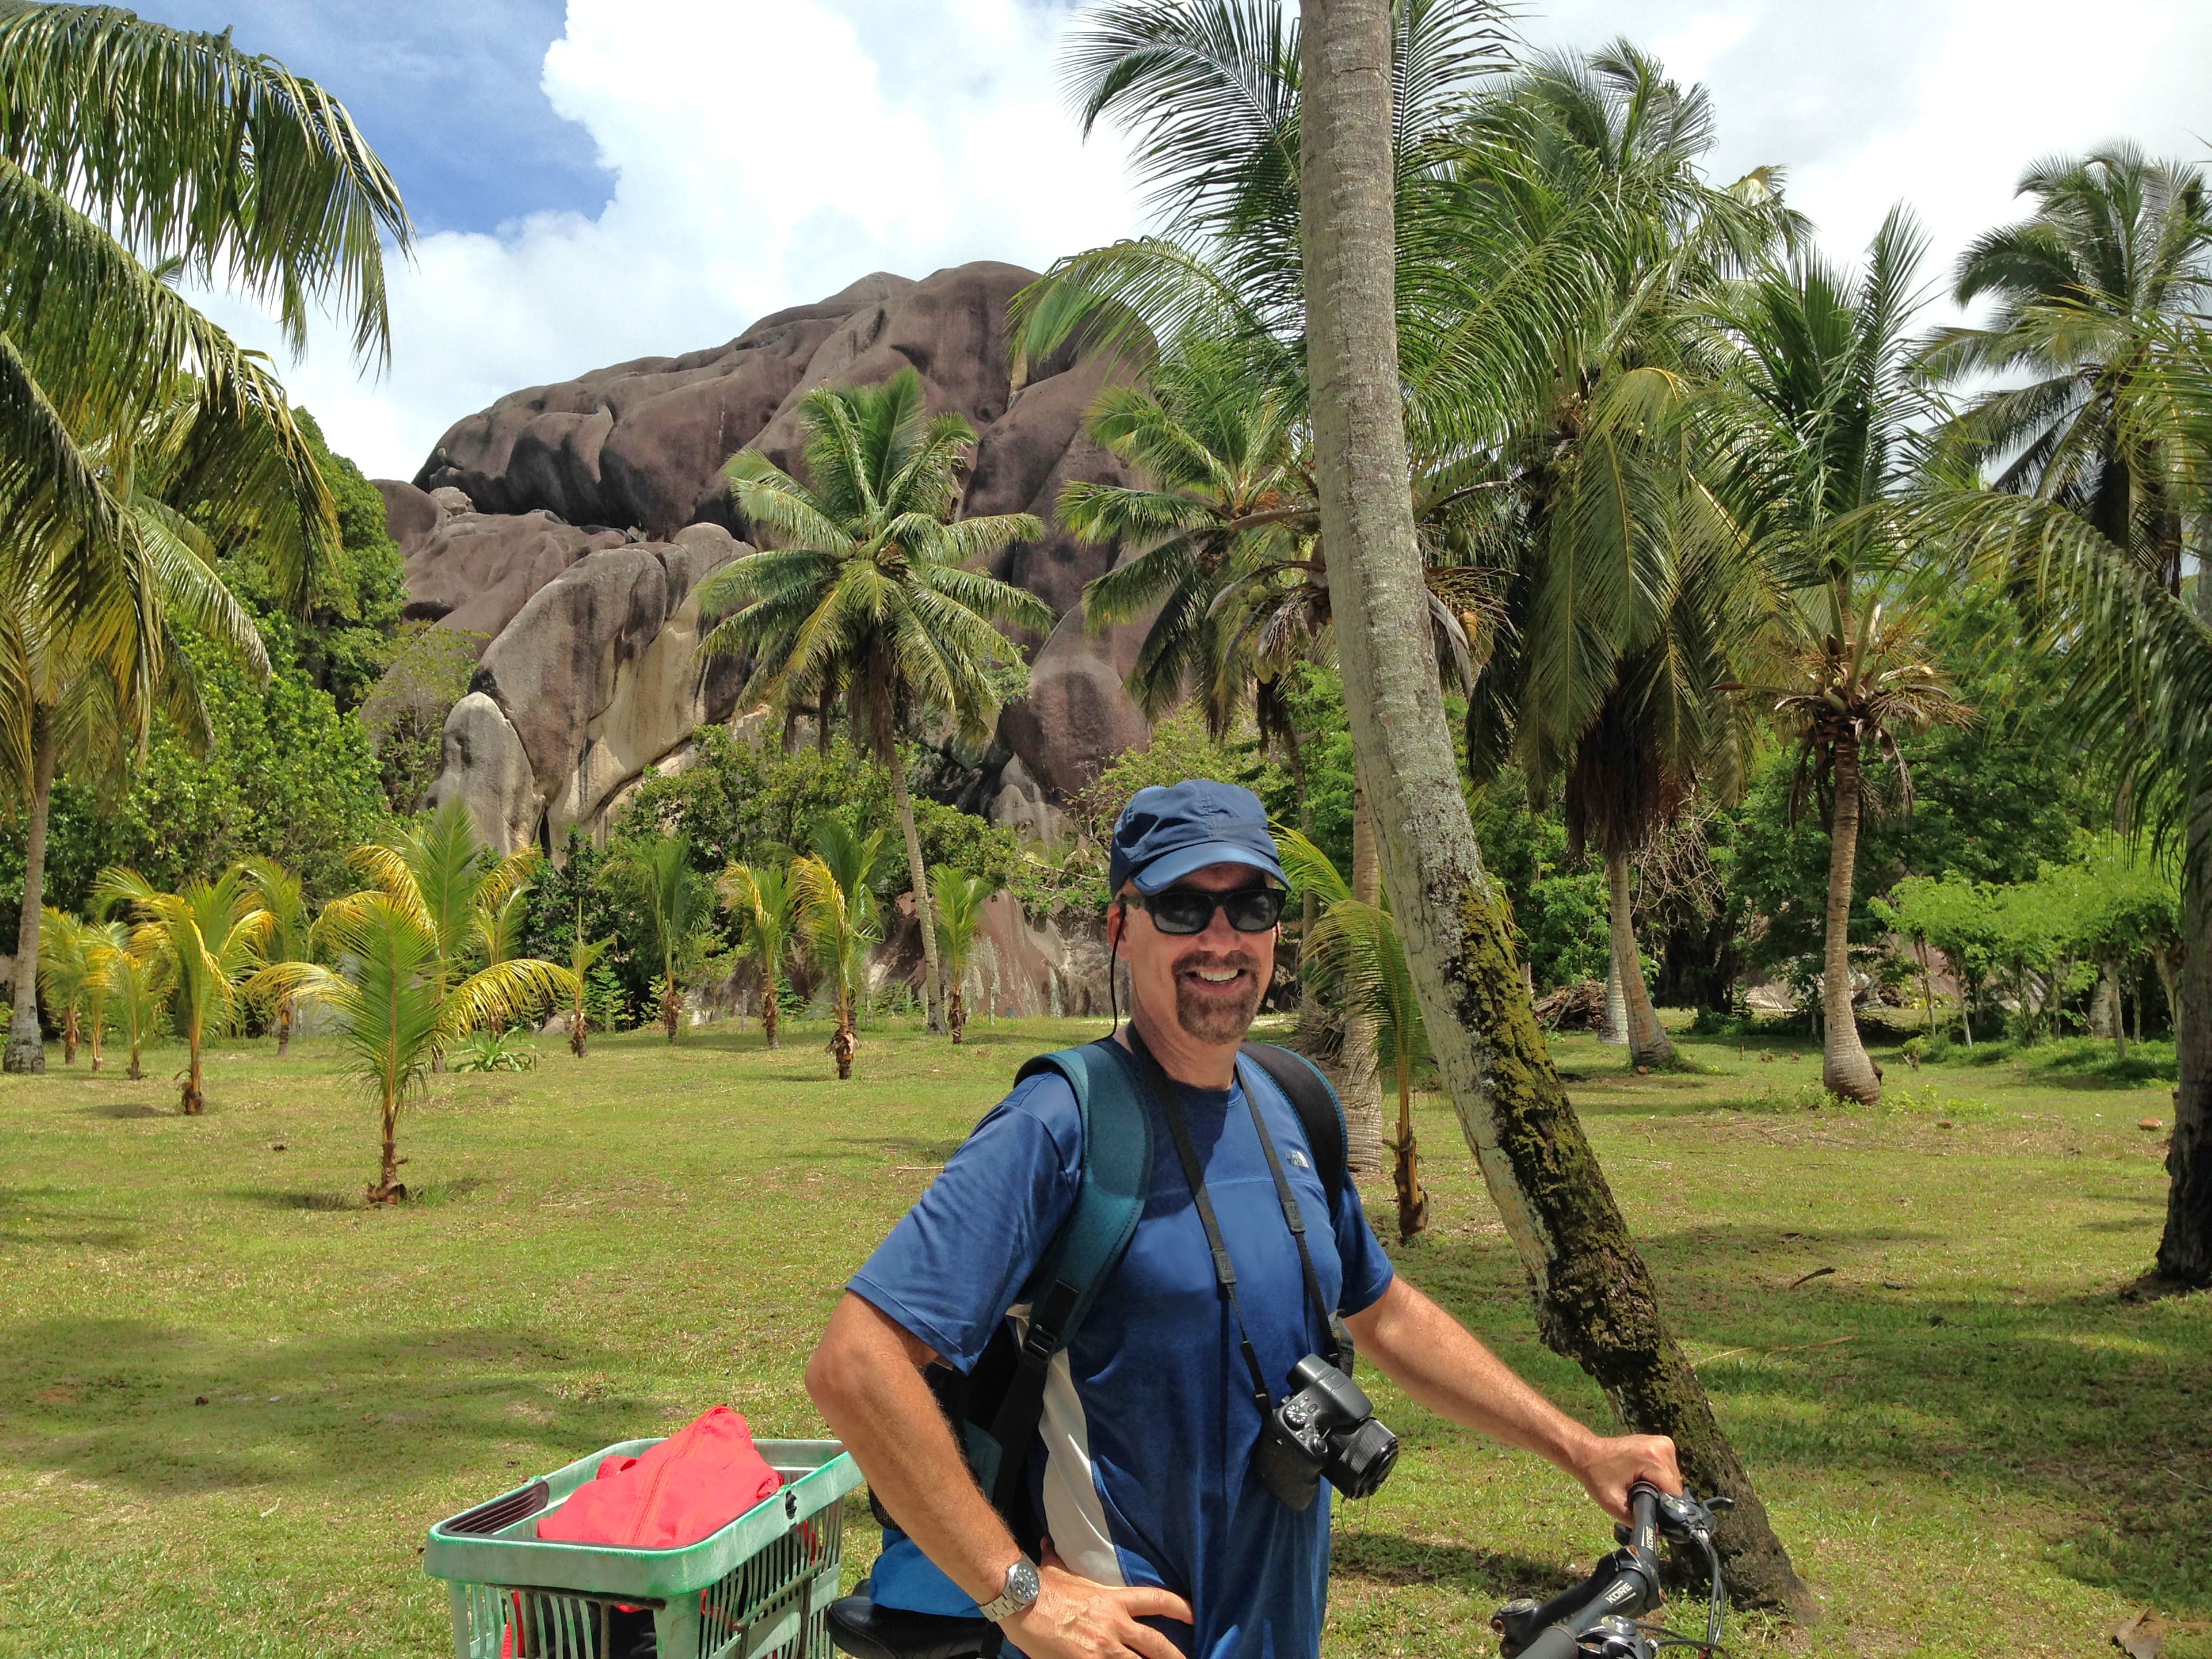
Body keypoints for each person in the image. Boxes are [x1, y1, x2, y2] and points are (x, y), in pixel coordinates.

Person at [807, 780, 1681, 1659]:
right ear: (1121, 926)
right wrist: (1018, 1593)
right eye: (1183, 906)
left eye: (1249, 904)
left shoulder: (1290, 1104)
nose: (1220, 939)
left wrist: (1581, 1449)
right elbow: (856, 1363)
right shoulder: (1061, 1124)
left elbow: (1387, 1313)